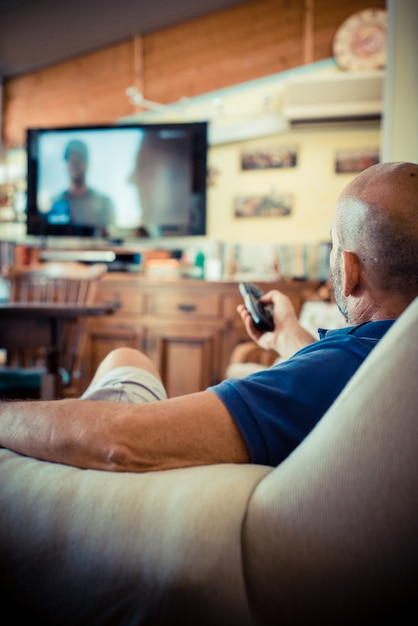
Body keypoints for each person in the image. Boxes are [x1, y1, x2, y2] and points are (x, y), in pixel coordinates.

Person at [1, 161, 417, 473]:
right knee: (127, 361)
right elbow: (340, 390)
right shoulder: (387, 360)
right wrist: (288, 335)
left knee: (126, 360)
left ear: (350, 270)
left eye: (332, 247)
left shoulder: (337, 368)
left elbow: (120, 440)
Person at [48, 139, 115, 235]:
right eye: (70, 160)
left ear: (87, 163)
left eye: (78, 160)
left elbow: (110, 238)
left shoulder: (104, 202)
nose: (73, 165)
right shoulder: (56, 201)